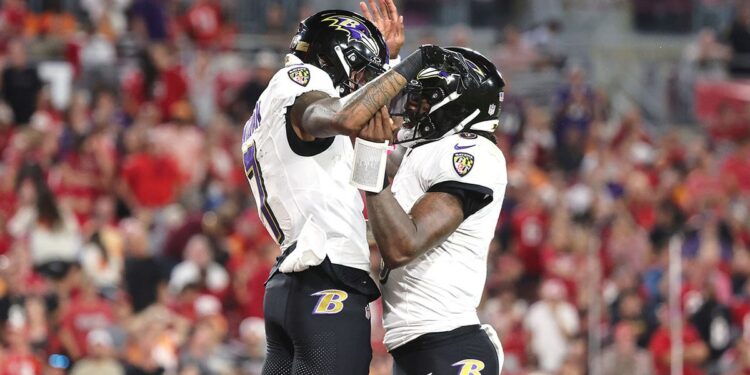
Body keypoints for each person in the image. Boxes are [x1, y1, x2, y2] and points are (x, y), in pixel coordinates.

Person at [240, 2, 481, 374]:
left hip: (293, 285)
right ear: (338, 56)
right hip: (326, 283)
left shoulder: (269, 108)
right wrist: (413, 63)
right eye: (360, 71)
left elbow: (357, 123)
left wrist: (388, 61)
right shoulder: (300, 82)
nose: (359, 82)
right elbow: (346, 115)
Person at [364, 47, 507, 375]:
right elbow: (359, 136)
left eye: (424, 98)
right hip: (418, 348)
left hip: (448, 344)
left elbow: (403, 245)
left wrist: (370, 158)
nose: (411, 107)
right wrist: (389, 62)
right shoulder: (425, 151)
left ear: (456, 105)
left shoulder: (470, 152)